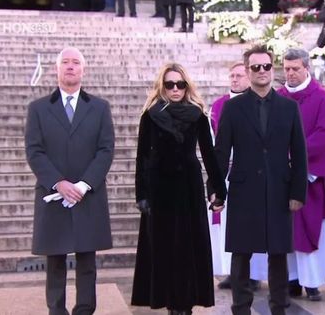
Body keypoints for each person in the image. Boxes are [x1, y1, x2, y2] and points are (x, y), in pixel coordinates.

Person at [213, 45, 308, 315]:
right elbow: (221, 152)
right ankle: (240, 308)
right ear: (247, 71)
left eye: (266, 66)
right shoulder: (232, 108)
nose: (262, 71)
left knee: (278, 254)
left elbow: (299, 153)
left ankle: (279, 308)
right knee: (241, 254)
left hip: (279, 189)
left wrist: (297, 193)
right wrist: (217, 191)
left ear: (272, 68)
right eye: (256, 67)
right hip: (244, 190)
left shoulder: (289, 108)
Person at [25, 47, 115, 315]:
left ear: (83, 70)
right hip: (53, 195)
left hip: (88, 193)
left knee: (87, 259)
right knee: (55, 259)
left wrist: (84, 184)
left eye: (76, 62)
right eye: (65, 62)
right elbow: (34, 150)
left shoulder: (99, 108)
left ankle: (85, 310)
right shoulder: (38, 109)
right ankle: (57, 310)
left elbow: (105, 149)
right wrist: (58, 183)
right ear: (57, 68)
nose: (71, 67)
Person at [131, 63, 227, 315]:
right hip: (159, 189)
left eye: (180, 84)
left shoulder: (197, 115)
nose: (175, 89)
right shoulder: (150, 115)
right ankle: (171, 303)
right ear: (162, 86)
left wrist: (218, 189)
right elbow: (141, 156)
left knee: (187, 248)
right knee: (163, 249)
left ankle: (184, 305)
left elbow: (209, 155)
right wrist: (141, 193)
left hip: (188, 187)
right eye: (170, 84)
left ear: (187, 86)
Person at [277, 48, 325, 301]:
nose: (290, 73)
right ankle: (291, 280)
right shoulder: (276, 97)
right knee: (284, 229)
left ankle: (312, 282)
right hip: (281, 175)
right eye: (287, 69)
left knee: (310, 228)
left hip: (311, 175)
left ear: (306, 68)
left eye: (295, 69)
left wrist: (294, 156)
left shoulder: (322, 98)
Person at [209, 62, 268, 291]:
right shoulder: (219, 105)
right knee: (229, 225)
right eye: (231, 75)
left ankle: (254, 273)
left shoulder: (258, 102)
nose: (235, 79)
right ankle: (232, 272)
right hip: (226, 171)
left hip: (252, 172)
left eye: (239, 75)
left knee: (253, 222)